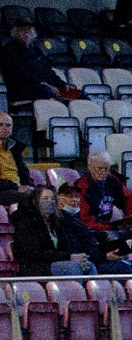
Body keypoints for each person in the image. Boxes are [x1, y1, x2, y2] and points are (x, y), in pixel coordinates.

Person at [0, 16, 66, 148]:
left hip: (41, 88)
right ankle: (43, 135)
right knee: (47, 92)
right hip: (22, 90)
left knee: (77, 94)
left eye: (29, 30)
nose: (27, 33)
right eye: (23, 30)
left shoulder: (36, 51)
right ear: (15, 32)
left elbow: (48, 72)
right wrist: (45, 85)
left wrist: (62, 85)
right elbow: (20, 75)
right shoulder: (9, 51)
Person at [0, 111, 29, 207]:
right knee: (27, 198)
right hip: (3, 190)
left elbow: (24, 174)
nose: (4, 128)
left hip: (16, 188)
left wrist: (29, 186)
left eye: (8, 125)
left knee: (47, 193)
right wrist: (16, 187)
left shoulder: (15, 148)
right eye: (0, 125)